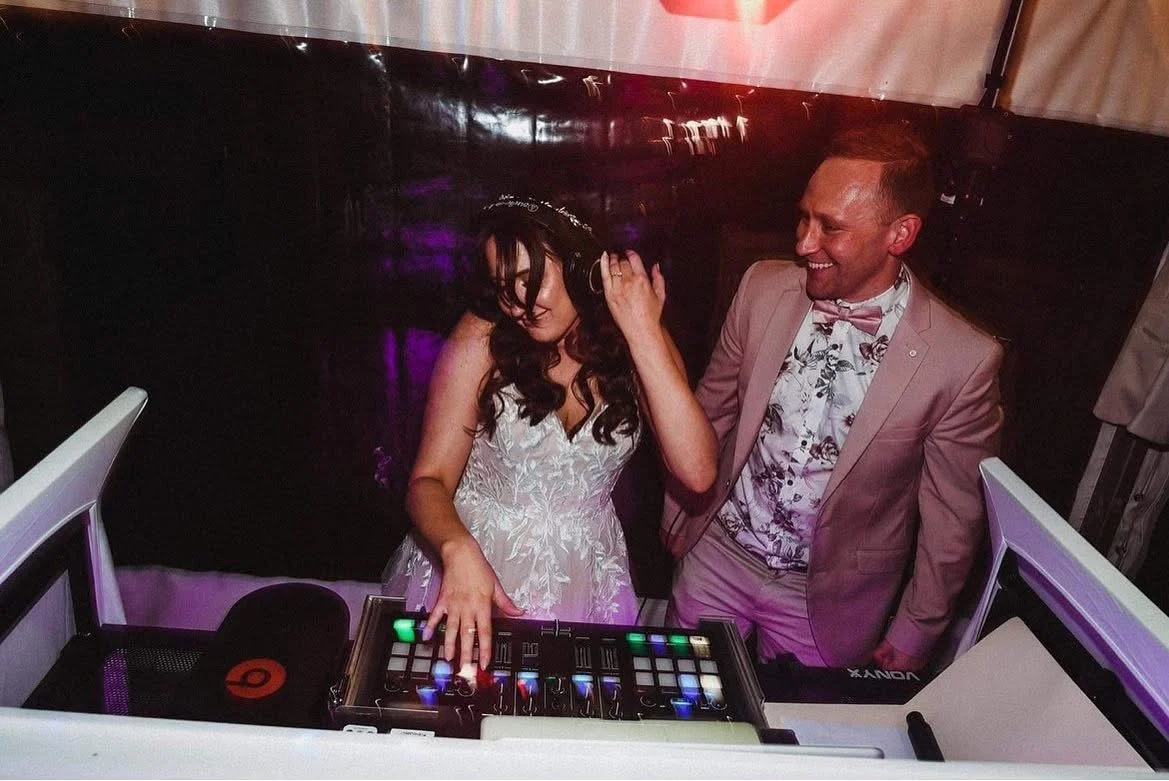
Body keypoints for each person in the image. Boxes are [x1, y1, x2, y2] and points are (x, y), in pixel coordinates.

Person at [663, 124, 1004, 672]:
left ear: (900, 234)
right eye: (805, 216)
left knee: (802, 740)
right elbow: (713, 409)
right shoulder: (761, 288)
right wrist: (680, 511)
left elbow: (952, 516)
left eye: (831, 227)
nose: (803, 243)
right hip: (719, 553)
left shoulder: (961, 361)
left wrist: (919, 626)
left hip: (830, 600)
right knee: (676, 703)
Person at [384, 194, 717, 671]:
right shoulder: (482, 338)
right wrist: (458, 551)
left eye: (530, 279)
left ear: (582, 267)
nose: (518, 303)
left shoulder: (638, 335)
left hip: (585, 578)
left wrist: (642, 330)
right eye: (503, 286)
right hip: (474, 562)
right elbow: (427, 481)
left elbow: (699, 471)